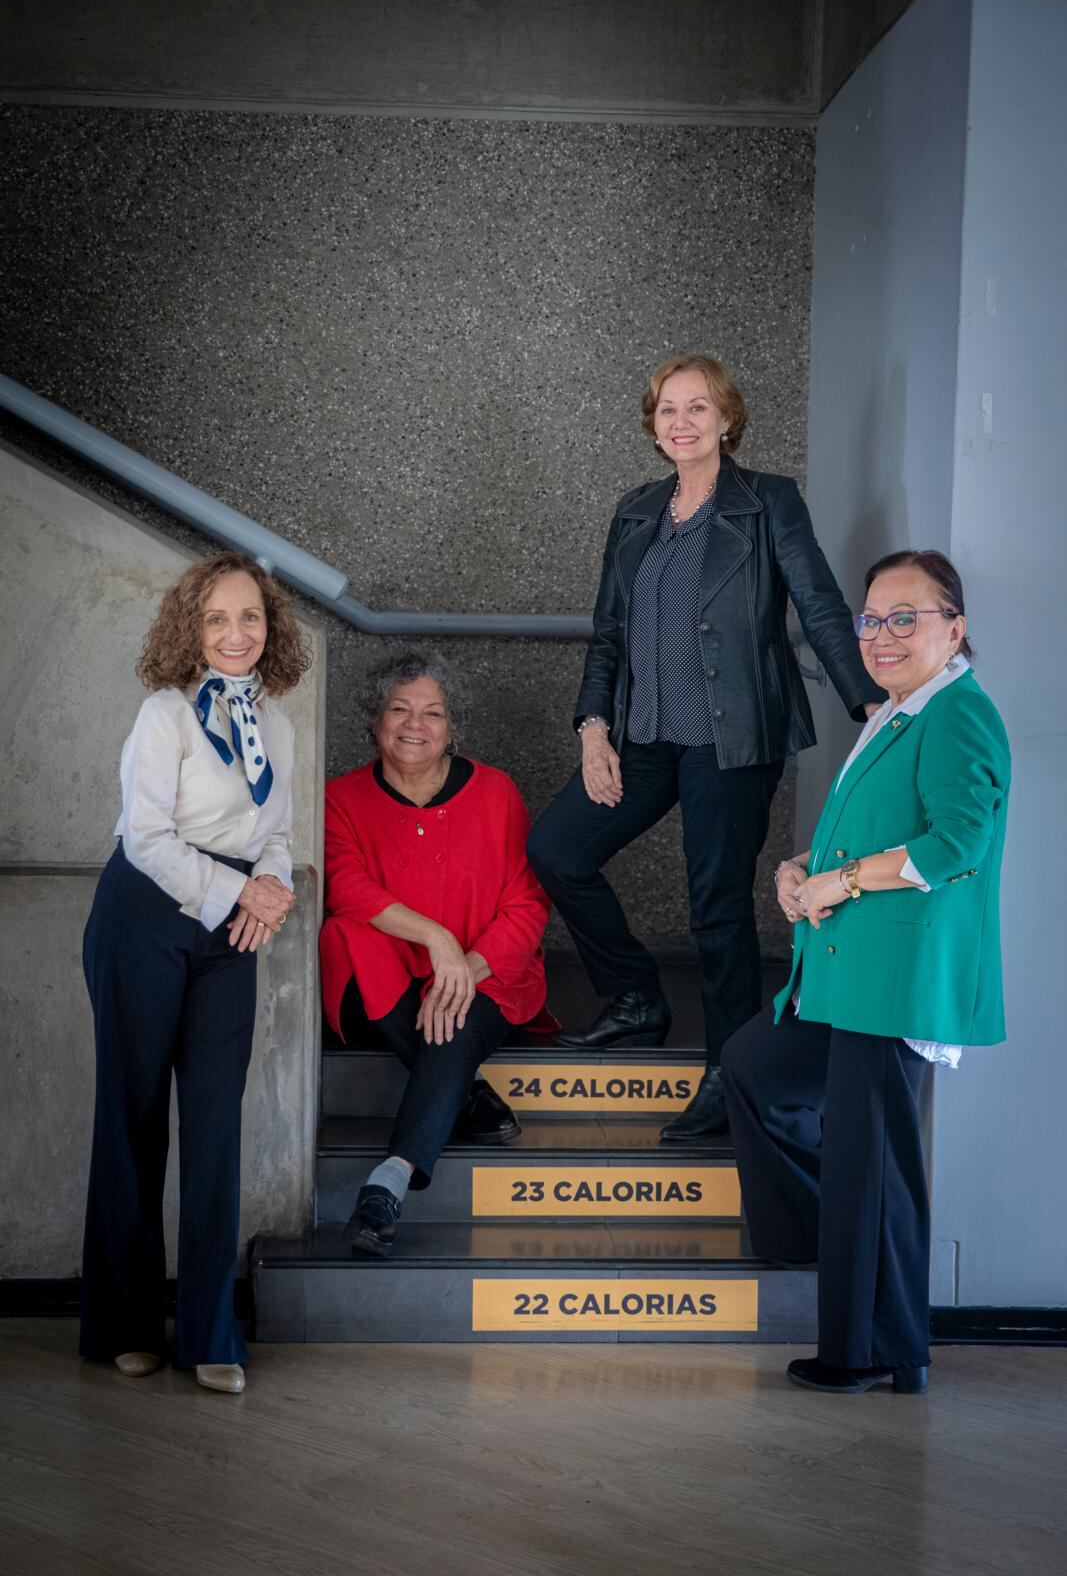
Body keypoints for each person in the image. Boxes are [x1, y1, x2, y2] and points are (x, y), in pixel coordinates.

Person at [527, 354, 881, 1142]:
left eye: (697, 408)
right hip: (644, 736)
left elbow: (819, 603)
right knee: (556, 848)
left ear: (727, 419)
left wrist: (870, 700)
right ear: (653, 427)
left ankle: (729, 1073)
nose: (681, 422)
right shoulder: (634, 511)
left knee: (716, 908)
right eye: (666, 411)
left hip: (733, 736)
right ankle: (635, 997)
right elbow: (610, 633)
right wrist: (593, 730)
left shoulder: (768, 502)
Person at [721, 550, 1009, 1394]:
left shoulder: (958, 713)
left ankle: (877, 1350)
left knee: (873, 1166)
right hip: (846, 969)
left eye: (903, 617)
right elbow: (863, 831)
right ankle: (820, 1237)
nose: (880, 636)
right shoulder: (895, 711)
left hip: (897, 976)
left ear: (952, 627)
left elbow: (957, 843)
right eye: (869, 619)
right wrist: (800, 867)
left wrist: (838, 882)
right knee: (752, 1067)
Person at [81, 552, 311, 1393]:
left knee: (215, 1129)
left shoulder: (279, 726)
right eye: (217, 618)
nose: (236, 633)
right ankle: (124, 1325)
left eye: (250, 617)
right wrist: (234, 890)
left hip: (230, 932)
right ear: (192, 627)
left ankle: (211, 1332)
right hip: (144, 916)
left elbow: (275, 833)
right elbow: (145, 838)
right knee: (132, 1121)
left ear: (270, 627)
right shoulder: (164, 715)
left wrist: (274, 891)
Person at [320, 652, 552, 1257]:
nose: (414, 724)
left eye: (433, 712)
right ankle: (465, 1086)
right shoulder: (339, 799)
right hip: (392, 979)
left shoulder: (496, 793)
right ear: (374, 720)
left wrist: (465, 969)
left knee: (453, 1011)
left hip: (487, 977)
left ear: (453, 726)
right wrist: (438, 941)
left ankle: (388, 1182)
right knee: (344, 934)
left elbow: (527, 906)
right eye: (398, 709)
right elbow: (344, 888)